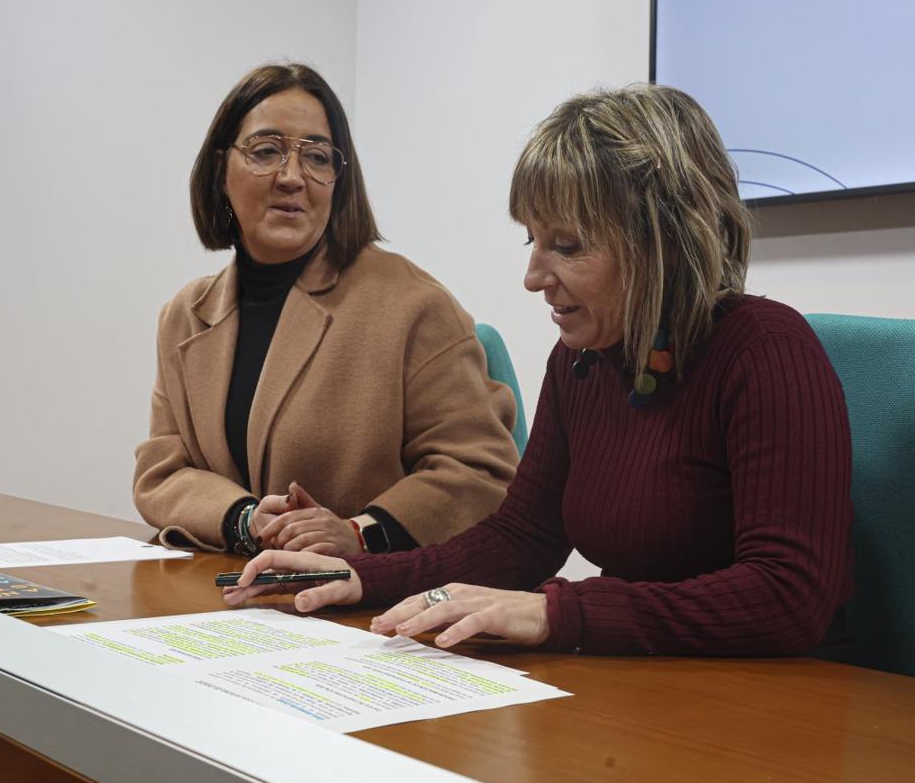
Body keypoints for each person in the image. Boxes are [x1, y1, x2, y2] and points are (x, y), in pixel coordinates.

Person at [225, 84, 854, 658]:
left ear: (662, 240)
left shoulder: (766, 349)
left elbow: (787, 596)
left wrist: (557, 611)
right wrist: (359, 575)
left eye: (569, 246)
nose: (533, 278)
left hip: (772, 706)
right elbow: (522, 536)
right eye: (534, 241)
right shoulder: (583, 360)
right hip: (651, 684)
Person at [133, 63, 519, 557]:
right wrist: (243, 518)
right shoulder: (184, 315)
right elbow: (162, 472)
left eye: (317, 157)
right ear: (219, 171)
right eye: (267, 151)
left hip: (372, 604)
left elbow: (479, 472)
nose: (292, 177)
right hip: (231, 598)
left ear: (339, 180)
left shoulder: (413, 305)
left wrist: (360, 532)